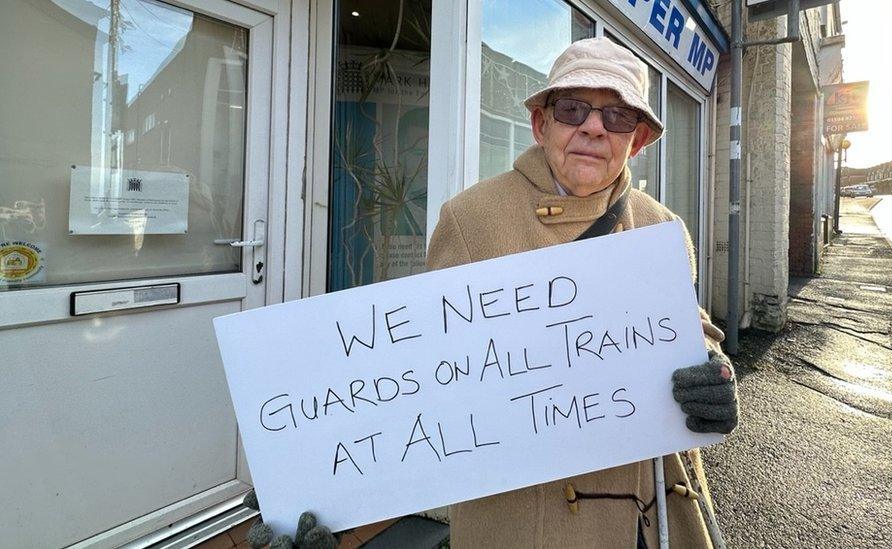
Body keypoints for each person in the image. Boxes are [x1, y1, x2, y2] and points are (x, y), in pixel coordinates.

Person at [247, 37, 736, 549]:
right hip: (528, 522)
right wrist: (317, 480)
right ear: (542, 125)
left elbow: (694, 329)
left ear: (635, 141)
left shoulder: (662, 226)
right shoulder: (471, 218)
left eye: (616, 116)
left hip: (652, 514)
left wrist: (714, 373)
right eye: (573, 109)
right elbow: (420, 373)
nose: (593, 126)